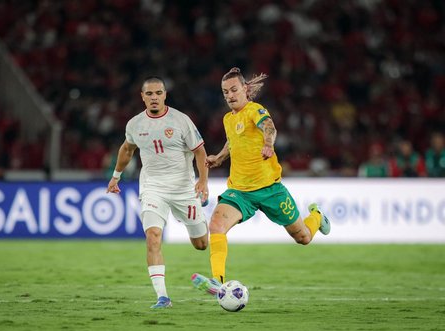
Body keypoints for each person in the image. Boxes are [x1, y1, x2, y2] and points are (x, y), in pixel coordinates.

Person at [191, 67, 331, 295]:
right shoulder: (228, 118)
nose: (229, 95)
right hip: (240, 192)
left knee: (303, 237)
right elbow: (233, 141)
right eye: (225, 92)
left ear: (245, 89)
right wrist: (220, 157)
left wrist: (268, 143)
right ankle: (217, 281)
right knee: (216, 225)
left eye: (234, 90)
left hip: (270, 190)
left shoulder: (255, 110)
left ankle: (317, 215)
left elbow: (269, 127)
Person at [107, 76, 210, 309]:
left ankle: (193, 218)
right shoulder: (134, 124)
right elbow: (127, 149)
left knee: (201, 244)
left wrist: (203, 181)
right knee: (153, 237)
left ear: (165, 95)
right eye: (150, 94)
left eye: (159, 93)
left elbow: (200, 152)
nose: (154, 97)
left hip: (184, 188)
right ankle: (162, 297)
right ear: (142, 97)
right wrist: (116, 176)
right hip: (153, 188)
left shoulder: (181, 120)